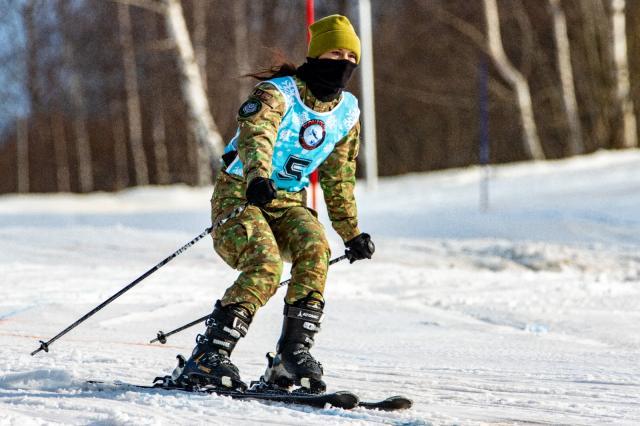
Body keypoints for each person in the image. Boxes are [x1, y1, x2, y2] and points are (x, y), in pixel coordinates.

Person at [176, 14, 375, 394]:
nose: (344, 62)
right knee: (265, 264)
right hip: (242, 194)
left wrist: (351, 233)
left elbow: (339, 177)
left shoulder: (347, 112)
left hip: (287, 201)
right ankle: (209, 354)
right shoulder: (278, 93)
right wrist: (257, 176)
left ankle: (291, 356)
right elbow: (257, 135)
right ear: (317, 54)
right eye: (335, 52)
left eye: (352, 56)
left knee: (316, 249)